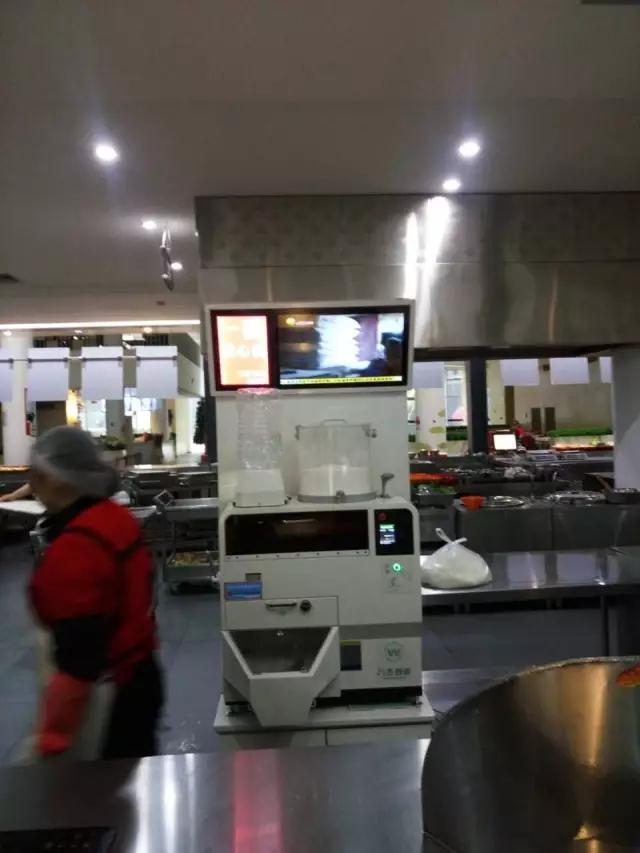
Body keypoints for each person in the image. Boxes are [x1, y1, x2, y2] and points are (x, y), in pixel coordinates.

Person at [27, 426, 163, 760]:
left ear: (58, 478)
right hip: (141, 674)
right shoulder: (115, 519)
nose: (33, 485)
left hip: (106, 697)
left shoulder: (77, 548)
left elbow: (80, 657)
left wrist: (52, 740)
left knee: (93, 790)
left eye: (37, 476)